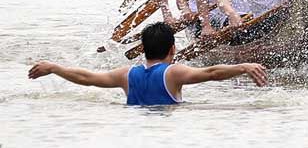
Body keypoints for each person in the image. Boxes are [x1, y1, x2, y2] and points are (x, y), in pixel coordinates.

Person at [28, 22, 268, 105]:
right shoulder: (173, 73)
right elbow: (212, 72)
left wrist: (54, 67)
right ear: (173, 49)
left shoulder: (126, 75)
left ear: (143, 49)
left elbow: (87, 79)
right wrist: (244, 67)